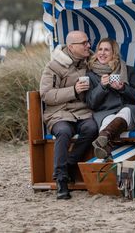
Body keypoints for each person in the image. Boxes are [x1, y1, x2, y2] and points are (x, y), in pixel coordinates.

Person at [39, 30, 98, 200]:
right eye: (84, 43)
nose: (88, 45)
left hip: (82, 112)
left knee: (92, 128)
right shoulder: (54, 66)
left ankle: (70, 164)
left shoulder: (91, 62)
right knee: (63, 132)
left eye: (88, 41)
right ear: (71, 47)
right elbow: (46, 95)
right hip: (58, 113)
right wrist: (73, 90)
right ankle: (61, 179)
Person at [86, 37, 135, 159]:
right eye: (100, 49)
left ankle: (104, 140)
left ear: (114, 53)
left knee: (125, 111)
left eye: (106, 50)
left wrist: (123, 88)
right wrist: (102, 87)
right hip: (105, 112)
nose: (102, 53)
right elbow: (91, 103)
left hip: (130, 113)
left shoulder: (128, 70)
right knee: (108, 119)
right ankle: (105, 145)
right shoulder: (91, 75)